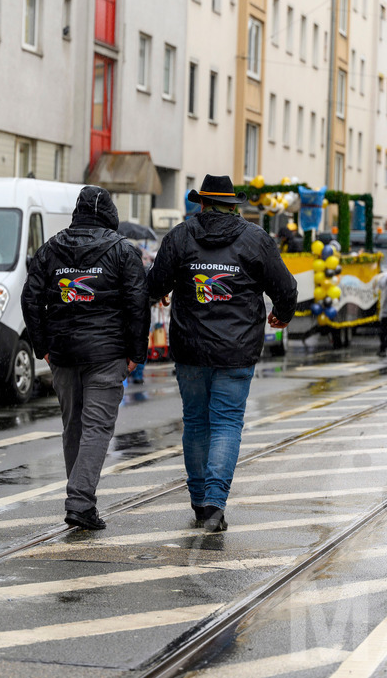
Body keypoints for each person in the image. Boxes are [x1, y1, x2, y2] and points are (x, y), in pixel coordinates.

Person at [147, 175, 297, 533]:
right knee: (227, 423)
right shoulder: (256, 239)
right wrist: (281, 314)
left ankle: (199, 502)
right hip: (237, 349)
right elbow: (287, 288)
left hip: (190, 348)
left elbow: (152, 285)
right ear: (233, 205)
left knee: (196, 423)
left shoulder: (180, 237)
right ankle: (214, 503)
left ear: (201, 204)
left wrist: (163, 290)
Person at [21, 186, 150, 531]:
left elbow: (30, 299)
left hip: (63, 353)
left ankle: (81, 500)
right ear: (110, 214)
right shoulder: (124, 250)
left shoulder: (50, 248)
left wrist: (42, 346)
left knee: (74, 426)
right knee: (97, 427)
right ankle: (80, 501)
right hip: (107, 353)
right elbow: (137, 303)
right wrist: (136, 353)